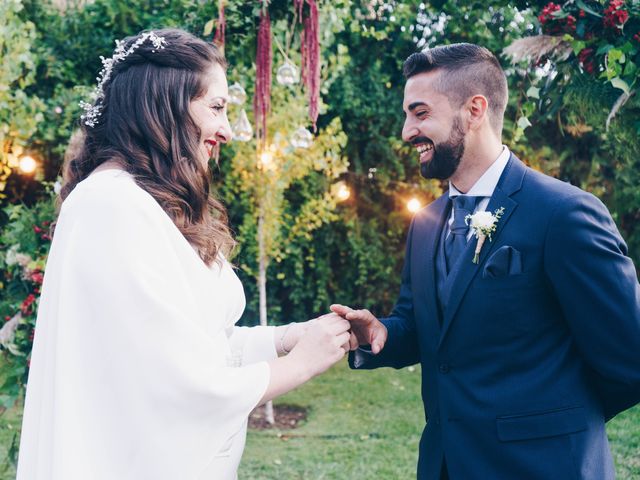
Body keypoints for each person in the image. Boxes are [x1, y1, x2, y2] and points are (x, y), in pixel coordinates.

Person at [17, 29, 352, 480]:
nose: (228, 131)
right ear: (164, 106)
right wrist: (300, 363)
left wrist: (287, 338)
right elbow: (178, 383)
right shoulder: (109, 206)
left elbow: (197, 343)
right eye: (217, 107)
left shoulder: (143, 201)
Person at [331, 43, 640, 479]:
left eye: (420, 113)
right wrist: (380, 333)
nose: (406, 131)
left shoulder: (564, 213)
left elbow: (630, 358)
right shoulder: (426, 222)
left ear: (474, 110)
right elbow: (424, 327)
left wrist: (556, 426)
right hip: (446, 466)